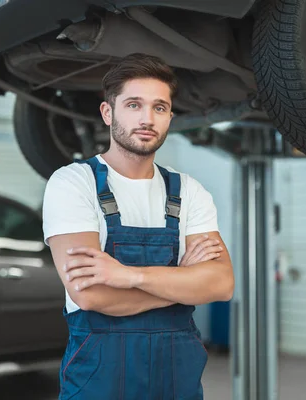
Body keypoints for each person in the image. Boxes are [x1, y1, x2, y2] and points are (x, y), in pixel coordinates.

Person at [42, 53, 234, 400]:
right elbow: (91, 294)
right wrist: (180, 281)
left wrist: (130, 277)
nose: (147, 118)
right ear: (107, 112)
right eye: (134, 104)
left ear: (170, 117)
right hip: (99, 382)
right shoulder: (74, 183)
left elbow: (220, 284)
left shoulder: (189, 191)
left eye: (159, 108)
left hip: (178, 381)